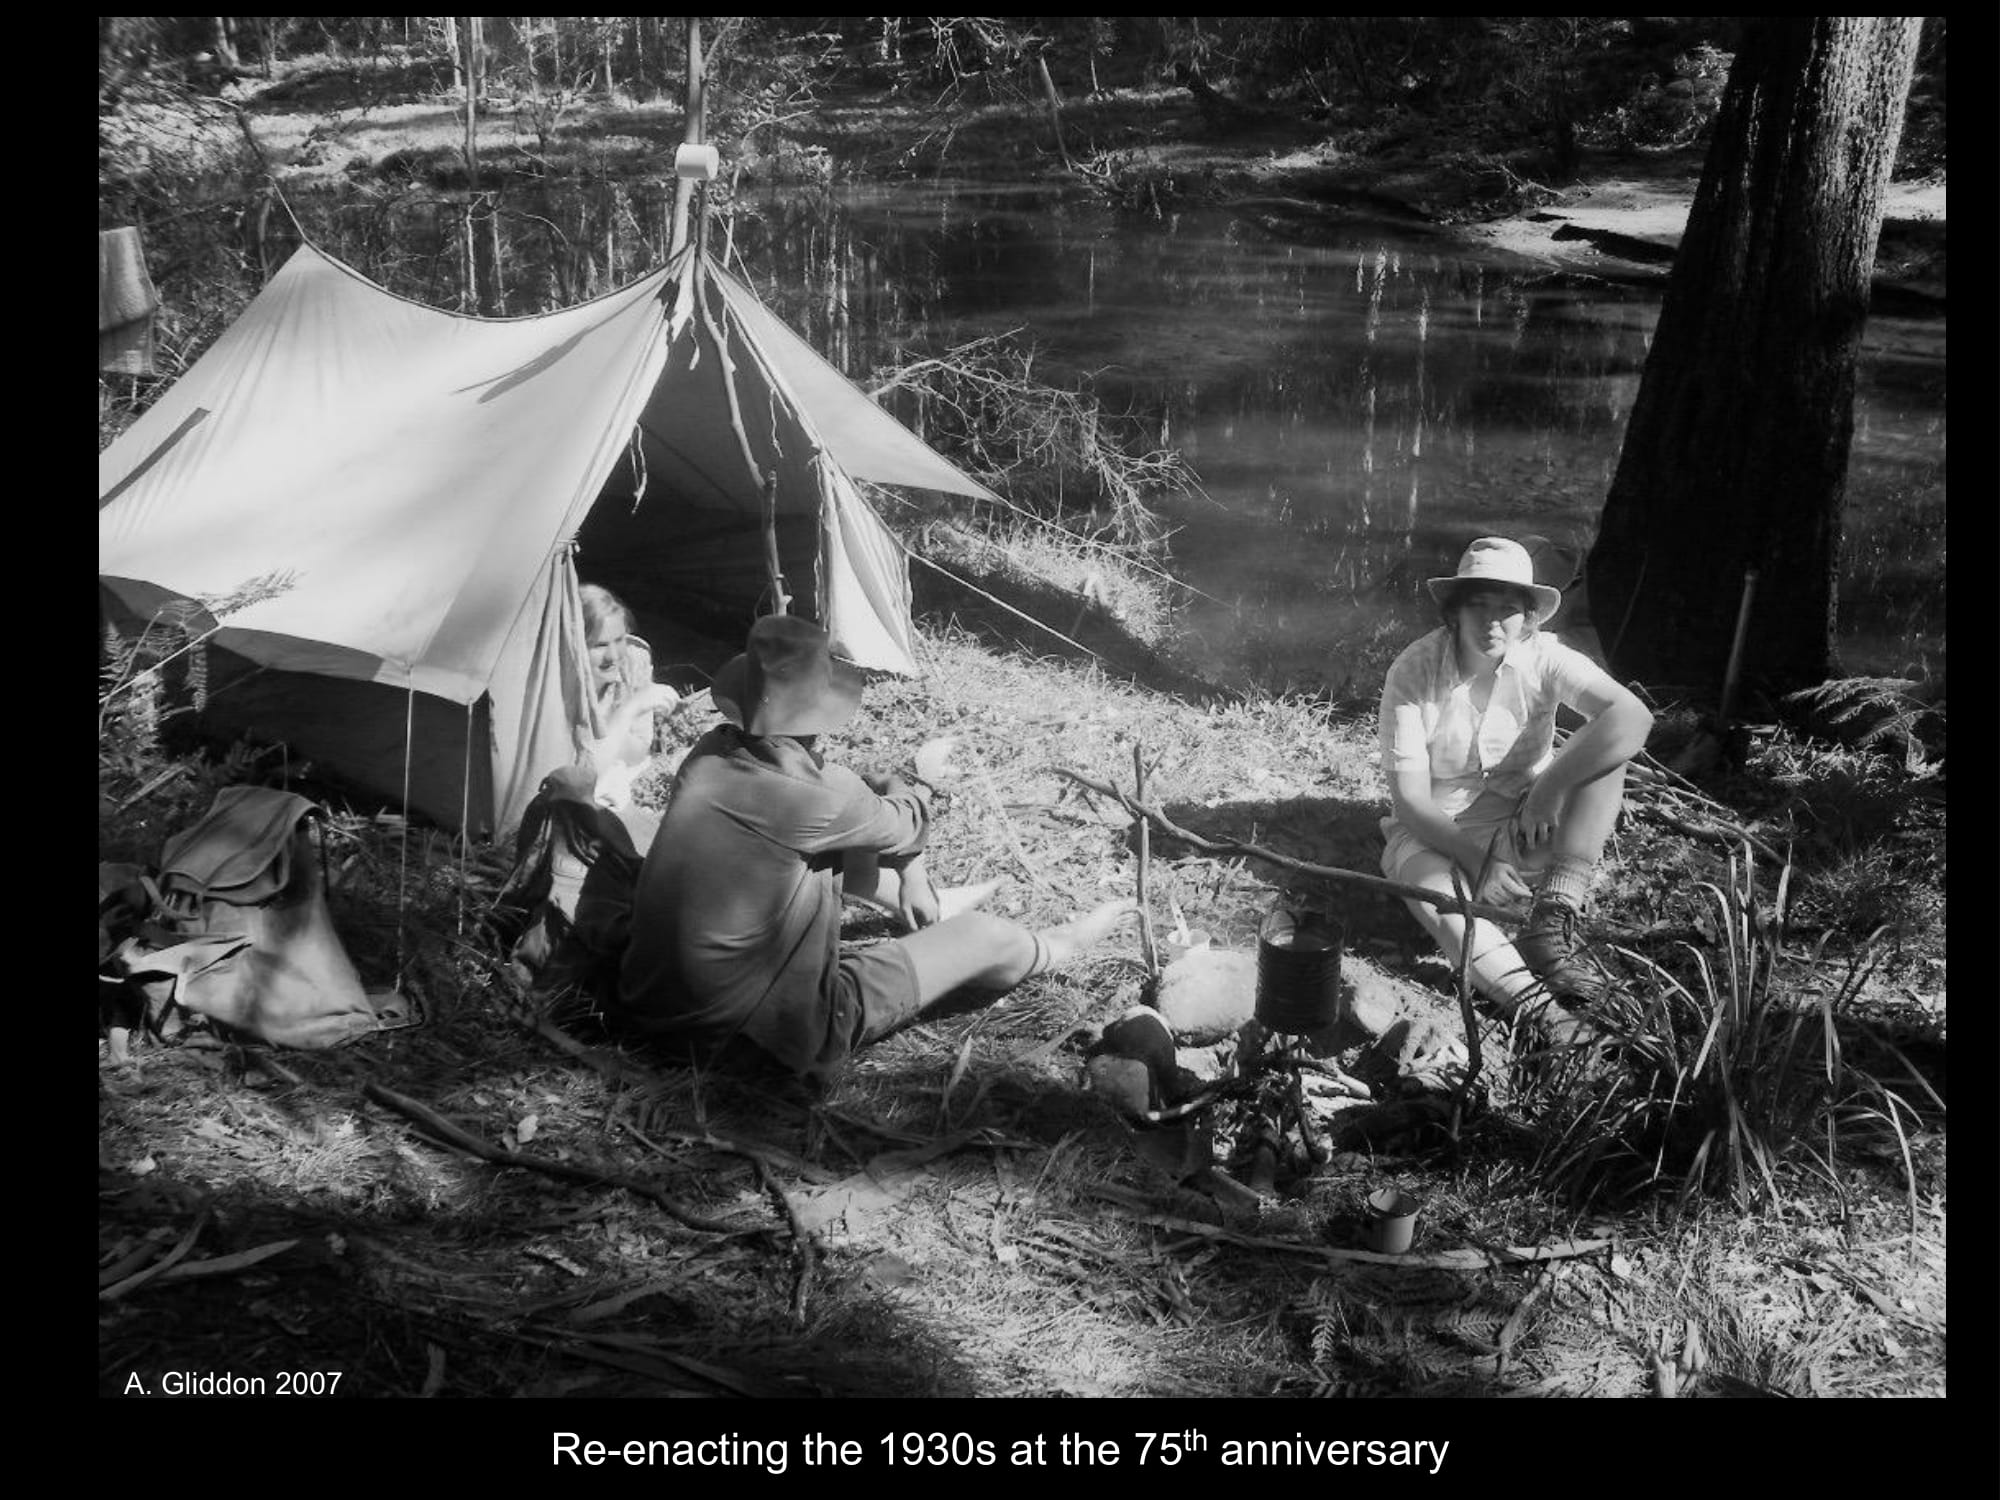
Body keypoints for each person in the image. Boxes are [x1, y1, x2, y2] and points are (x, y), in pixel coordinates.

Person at [617, 614, 1135, 1082]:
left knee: (824, 858)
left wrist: (906, 867)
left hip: (650, 1004)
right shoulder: (824, 797)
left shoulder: (708, 755)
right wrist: (911, 786)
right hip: (745, 1038)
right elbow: (908, 824)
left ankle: (928, 903)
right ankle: (1060, 946)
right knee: (986, 935)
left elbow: (830, 825)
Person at [1377, 536, 1653, 1018]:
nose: (1492, 620)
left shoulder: (1544, 655)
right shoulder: (1414, 669)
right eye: (1479, 604)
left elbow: (1633, 718)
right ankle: (1547, 1016)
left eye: (1508, 607)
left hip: (1528, 819)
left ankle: (1551, 920)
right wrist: (1476, 861)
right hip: (1439, 834)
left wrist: (1548, 790)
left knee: (1609, 753)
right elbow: (1410, 802)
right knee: (1445, 908)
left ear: (1527, 619)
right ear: (1455, 612)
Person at [578, 583, 679, 815]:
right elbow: (583, 777)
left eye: (619, 639)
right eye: (599, 645)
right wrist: (628, 711)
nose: (613, 656)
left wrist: (621, 719)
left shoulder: (632, 663)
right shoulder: (559, 686)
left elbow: (637, 753)